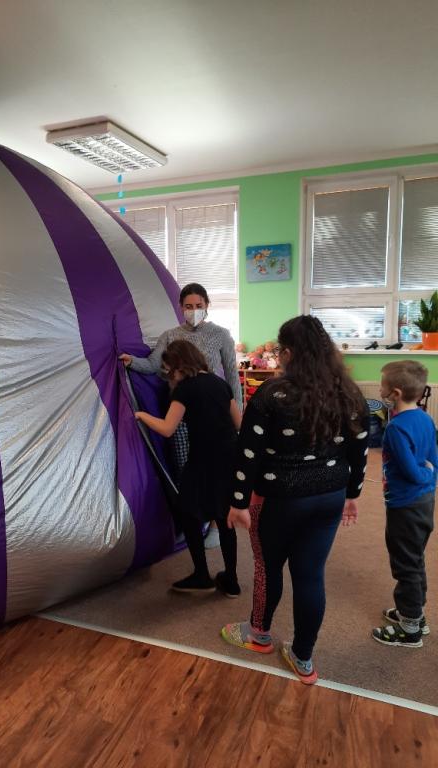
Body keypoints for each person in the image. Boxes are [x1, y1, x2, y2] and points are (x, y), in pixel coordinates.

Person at [220, 315, 369, 684]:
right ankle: (303, 657)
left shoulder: (272, 394)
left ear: (287, 353)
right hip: (330, 496)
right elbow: (359, 450)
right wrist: (352, 494)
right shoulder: (349, 393)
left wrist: (238, 502)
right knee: (310, 575)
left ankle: (259, 635)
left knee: (268, 568)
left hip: (280, 499)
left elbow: (247, 453)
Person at [120, 283, 242, 549]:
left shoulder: (221, 335)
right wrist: (132, 362)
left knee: (214, 470)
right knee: (185, 470)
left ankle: (215, 524)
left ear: (207, 306)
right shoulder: (170, 335)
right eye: (188, 306)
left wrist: (237, 417)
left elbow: (232, 376)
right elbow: (153, 365)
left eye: (198, 306)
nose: (193, 311)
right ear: (181, 308)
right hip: (179, 408)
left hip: (211, 409)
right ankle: (194, 520)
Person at [135, 340, 242, 595]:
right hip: (229, 457)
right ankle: (231, 580)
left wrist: (141, 415)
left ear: (178, 365)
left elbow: (167, 428)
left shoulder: (184, 389)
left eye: (168, 368)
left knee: (187, 511)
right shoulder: (220, 383)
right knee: (224, 517)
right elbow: (239, 423)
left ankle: (201, 575)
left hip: (203, 458)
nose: (168, 374)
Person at [371, 361, 437, 648]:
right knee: (415, 557)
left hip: (405, 505)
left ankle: (410, 629)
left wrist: (425, 475)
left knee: (405, 564)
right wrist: (430, 476)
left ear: (395, 393)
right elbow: (434, 459)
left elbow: (413, 471)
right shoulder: (425, 418)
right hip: (424, 501)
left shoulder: (396, 428)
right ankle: (415, 614)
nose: (380, 390)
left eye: (382, 386)